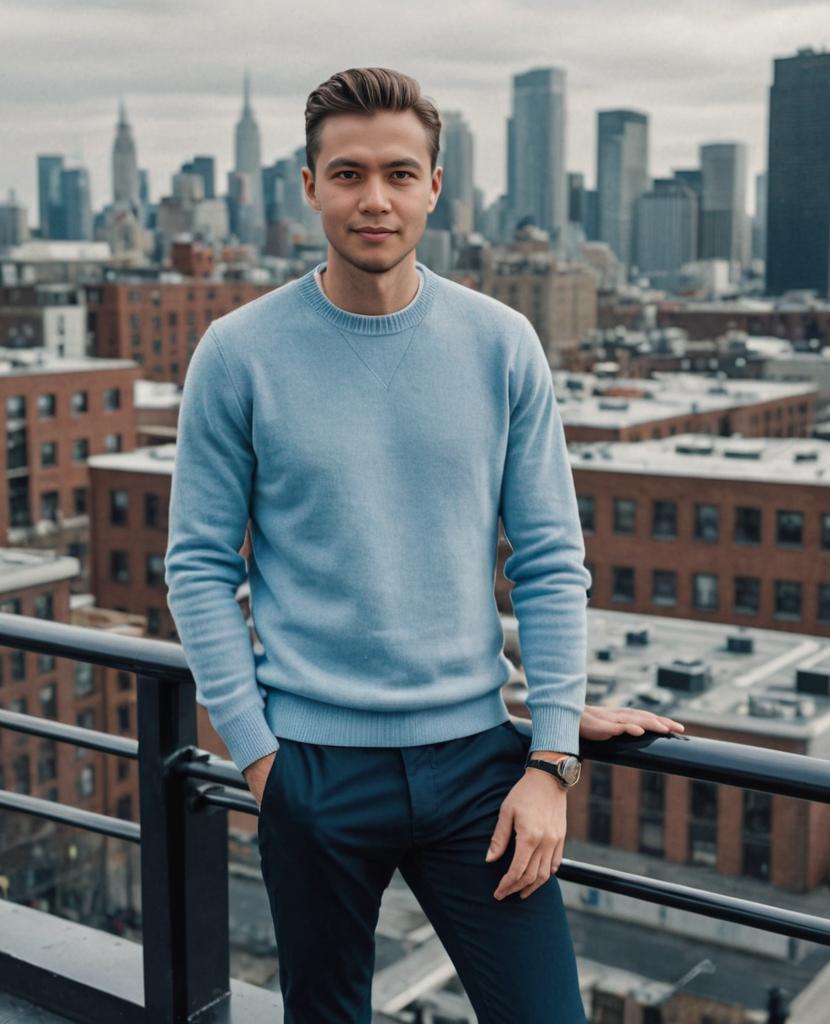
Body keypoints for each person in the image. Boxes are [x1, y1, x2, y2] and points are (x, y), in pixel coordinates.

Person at [165, 66, 685, 1023]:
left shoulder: (502, 342)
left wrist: (553, 756)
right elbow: (196, 566)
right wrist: (259, 758)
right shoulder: (237, 354)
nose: (375, 199)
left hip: (480, 771)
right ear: (310, 184)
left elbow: (549, 560)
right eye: (350, 173)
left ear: (437, 187)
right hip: (310, 764)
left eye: (401, 173)